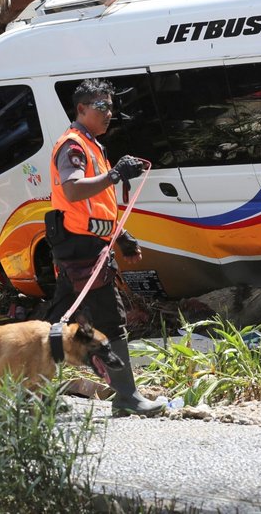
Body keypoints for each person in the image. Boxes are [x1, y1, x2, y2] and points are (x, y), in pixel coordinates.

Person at [38, 78, 165, 416]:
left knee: (58, 321)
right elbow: (75, 190)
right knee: (112, 319)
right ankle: (126, 397)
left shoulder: (93, 146)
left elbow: (99, 206)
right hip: (81, 249)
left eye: (111, 106)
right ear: (81, 109)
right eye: (102, 106)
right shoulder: (74, 146)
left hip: (83, 247)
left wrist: (121, 238)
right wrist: (114, 175)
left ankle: (30, 388)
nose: (110, 112)